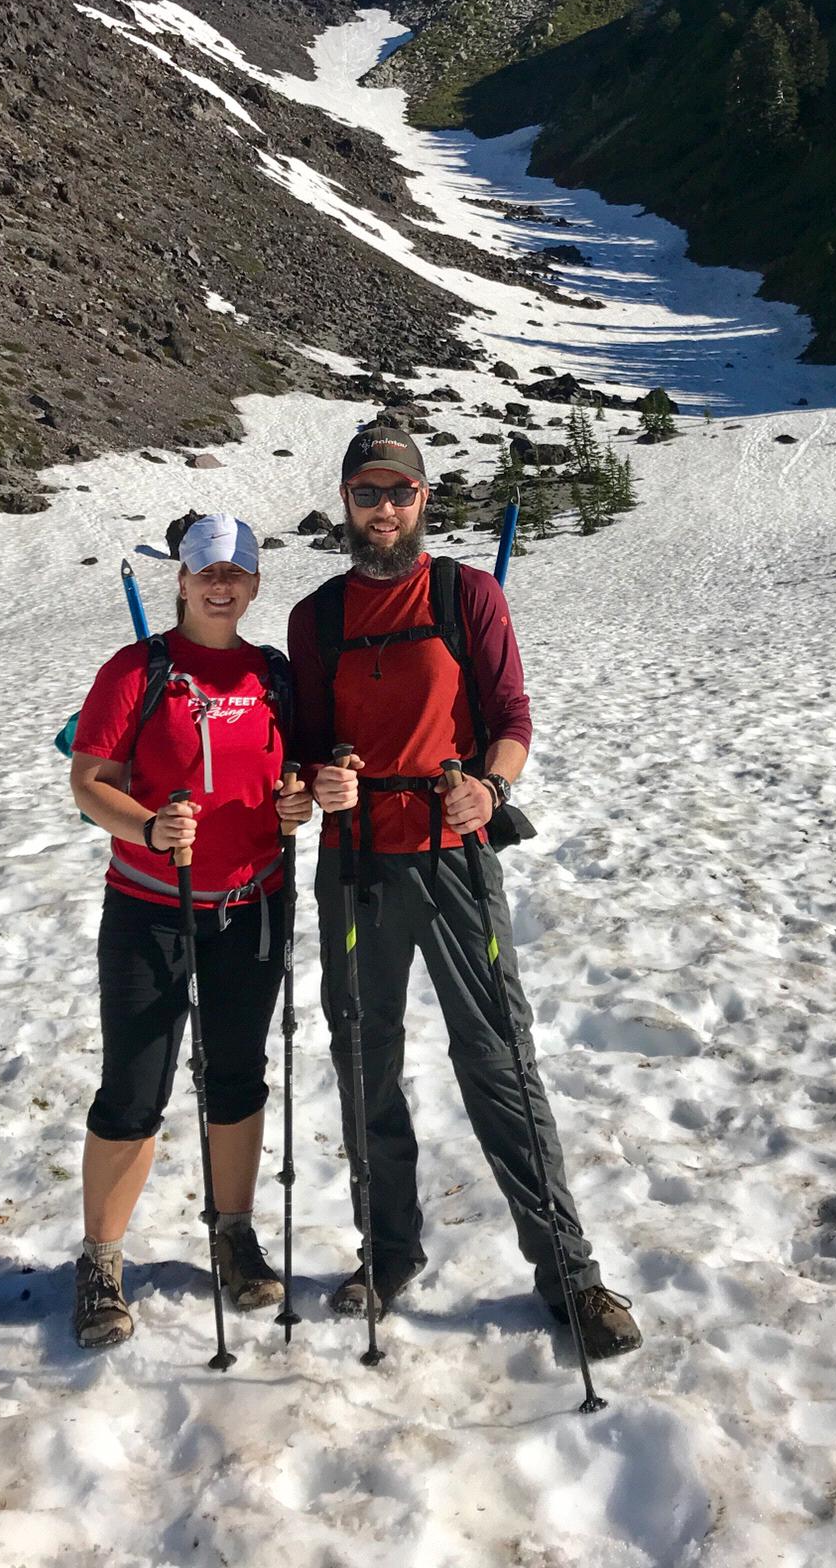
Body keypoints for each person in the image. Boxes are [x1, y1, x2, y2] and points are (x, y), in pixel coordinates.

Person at [286, 426, 642, 1360]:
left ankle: (569, 1271)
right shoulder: (314, 619)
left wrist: (495, 784)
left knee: (498, 1061)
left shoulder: (464, 594)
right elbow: (307, 743)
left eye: (398, 493)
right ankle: (390, 1251)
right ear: (347, 501)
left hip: (454, 853)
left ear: (423, 498)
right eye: (368, 494)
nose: (384, 509)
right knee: (366, 1061)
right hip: (355, 863)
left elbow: (512, 716)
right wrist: (319, 777)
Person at [67, 513, 297, 1350]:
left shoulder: (272, 674)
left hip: (251, 906)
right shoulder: (139, 669)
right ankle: (101, 1260)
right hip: (150, 909)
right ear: (181, 578)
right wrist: (148, 829)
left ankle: (232, 1232)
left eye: (236, 571)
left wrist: (295, 802)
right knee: (133, 1087)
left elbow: (293, 771)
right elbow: (89, 784)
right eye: (206, 570)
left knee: (237, 1077)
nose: (221, 584)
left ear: (255, 584)